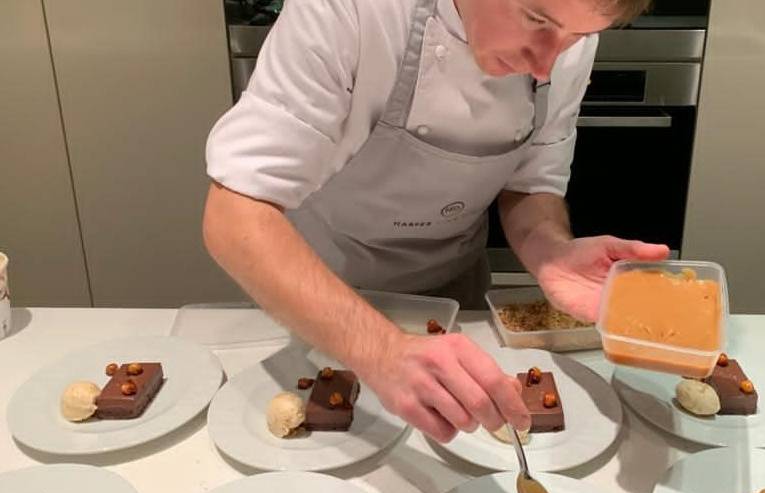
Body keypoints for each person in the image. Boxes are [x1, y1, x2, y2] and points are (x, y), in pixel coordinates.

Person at [203, 0, 668, 443]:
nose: (547, 63)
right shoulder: (354, 11)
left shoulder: (566, 32)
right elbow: (236, 214)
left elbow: (530, 185)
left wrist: (551, 251)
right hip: (319, 306)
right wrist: (382, 351)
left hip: (456, 302)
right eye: (534, 19)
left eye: (579, 37)